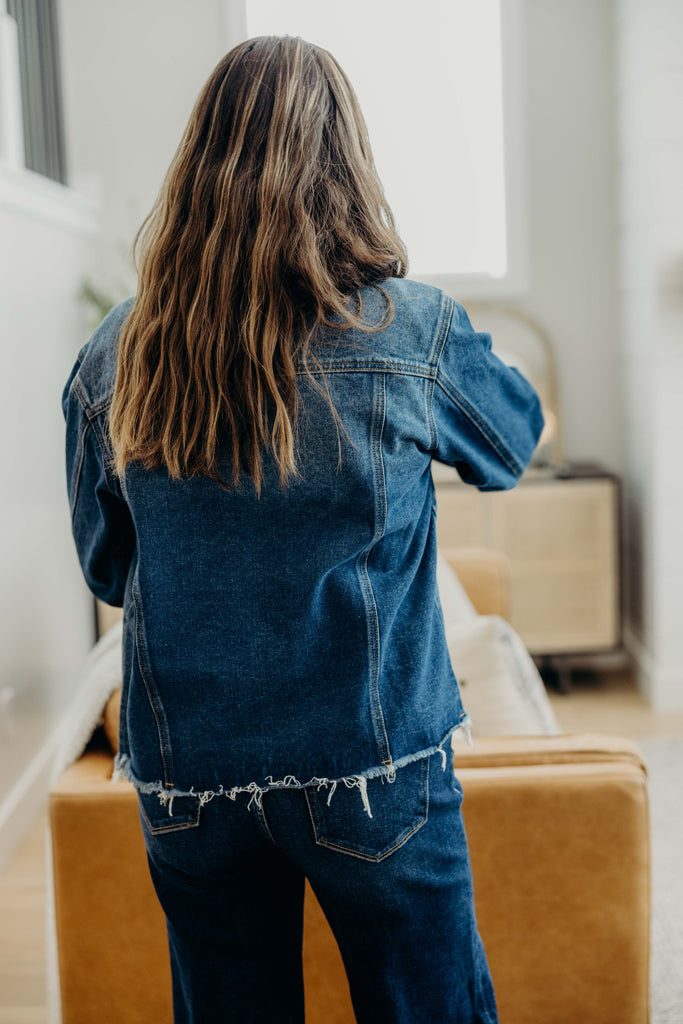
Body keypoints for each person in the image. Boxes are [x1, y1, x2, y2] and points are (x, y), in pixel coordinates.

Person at [62, 34, 543, 1024]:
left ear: (198, 164)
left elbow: (110, 569)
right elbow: (511, 441)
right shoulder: (408, 329)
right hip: (373, 770)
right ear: (346, 168)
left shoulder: (115, 354)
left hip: (189, 784)